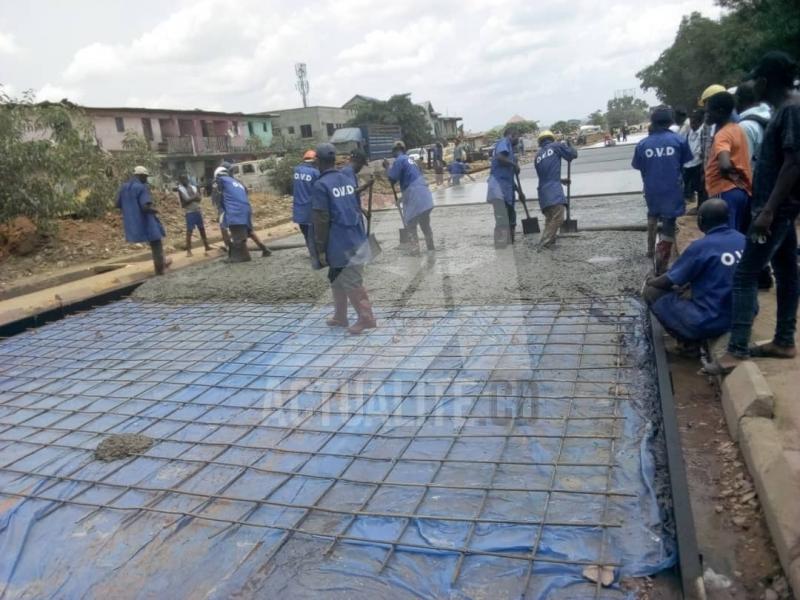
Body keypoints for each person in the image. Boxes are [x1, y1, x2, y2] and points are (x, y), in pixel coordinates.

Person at [718, 51, 800, 372]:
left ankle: (736, 349)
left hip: (774, 209)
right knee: (787, 272)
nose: (754, 85)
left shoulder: (791, 111)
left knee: (745, 274)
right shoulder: (786, 108)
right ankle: (783, 340)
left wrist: (767, 210)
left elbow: (794, 163)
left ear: (765, 81)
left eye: (756, 80)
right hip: (780, 207)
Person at [644, 199, 745, 351]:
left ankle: (688, 344)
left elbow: (668, 281)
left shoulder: (701, 247)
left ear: (701, 221)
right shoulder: (743, 239)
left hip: (711, 320)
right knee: (688, 286)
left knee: (652, 292)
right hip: (743, 316)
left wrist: (651, 281)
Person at [311, 143, 376, 335]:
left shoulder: (321, 185)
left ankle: (367, 318)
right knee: (336, 278)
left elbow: (321, 220)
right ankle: (340, 315)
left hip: (340, 242)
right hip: (355, 236)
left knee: (352, 280)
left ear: (317, 162)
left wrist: (320, 249)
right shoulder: (346, 177)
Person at [631, 106, 692, 274]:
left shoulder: (643, 144)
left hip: (652, 190)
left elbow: (639, 166)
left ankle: (651, 250)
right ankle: (662, 262)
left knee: (652, 216)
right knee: (669, 224)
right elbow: (685, 164)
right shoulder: (679, 140)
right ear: (670, 121)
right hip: (673, 189)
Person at [704, 92, 753, 232]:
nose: (707, 115)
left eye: (709, 112)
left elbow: (724, 165)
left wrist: (734, 179)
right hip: (742, 191)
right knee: (739, 234)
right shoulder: (738, 129)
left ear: (720, 111)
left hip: (724, 190)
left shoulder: (722, 134)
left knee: (725, 233)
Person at [116, 166, 170, 275]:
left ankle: (163, 263)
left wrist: (130, 209)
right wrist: (155, 210)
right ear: (140, 175)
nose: (146, 179)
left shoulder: (124, 187)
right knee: (156, 244)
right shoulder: (141, 187)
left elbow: (117, 204)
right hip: (146, 221)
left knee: (154, 244)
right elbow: (145, 207)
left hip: (132, 223)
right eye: (145, 177)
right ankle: (160, 270)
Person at [385, 140, 435, 253]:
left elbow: (392, 179)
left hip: (415, 195)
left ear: (394, 151)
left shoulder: (400, 160)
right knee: (425, 223)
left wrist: (387, 168)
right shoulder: (411, 161)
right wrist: (401, 199)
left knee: (411, 224)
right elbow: (414, 183)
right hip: (425, 195)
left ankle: (415, 250)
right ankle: (431, 247)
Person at [534, 130, 578, 249]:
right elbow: (573, 154)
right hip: (553, 191)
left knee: (550, 219)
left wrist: (561, 181)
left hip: (543, 192)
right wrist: (570, 145)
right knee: (558, 217)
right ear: (551, 138)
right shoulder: (555, 146)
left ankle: (549, 243)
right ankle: (544, 243)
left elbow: (547, 175)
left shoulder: (537, 156)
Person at [486, 126, 522, 247]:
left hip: (506, 189)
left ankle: (510, 243)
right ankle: (501, 247)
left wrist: (519, 192)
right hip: (498, 188)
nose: (519, 139)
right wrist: (513, 164)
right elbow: (500, 158)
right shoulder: (503, 142)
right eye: (518, 136)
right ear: (512, 135)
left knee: (511, 216)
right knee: (502, 217)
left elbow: (509, 178)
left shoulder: (510, 152)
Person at [215, 166, 256, 262]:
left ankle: (240, 257)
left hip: (235, 211)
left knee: (237, 236)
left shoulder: (220, 180)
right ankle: (243, 256)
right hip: (246, 209)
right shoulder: (236, 181)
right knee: (241, 236)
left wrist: (222, 213)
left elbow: (220, 199)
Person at [735, 80, 772, 168]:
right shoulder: (771, 115)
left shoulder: (745, 126)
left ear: (739, 99)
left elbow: (743, 165)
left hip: (756, 178)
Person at [176, 173, 212, 256]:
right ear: (180, 181)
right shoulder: (180, 189)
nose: (184, 180)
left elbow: (199, 199)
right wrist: (194, 197)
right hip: (189, 212)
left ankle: (207, 246)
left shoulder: (193, 187)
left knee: (202, 229)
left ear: (187, 179)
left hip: (197, 210)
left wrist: (192, 198)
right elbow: (185, 201)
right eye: (182, 179)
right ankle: (189, 251)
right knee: (189, 231)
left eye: (185, 179)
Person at [292, 149, 319, 243]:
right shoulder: (315, 173)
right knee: (315, 235)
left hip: (299, 210)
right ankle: (317, 254)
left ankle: (312, 253)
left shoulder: (296, 170)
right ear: (315, 160)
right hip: (310, 210)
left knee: (306, 235)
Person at [683, 110, 706, 209]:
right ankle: (692, 202)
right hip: (689, 163)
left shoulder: (703, 131)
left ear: (700, 122)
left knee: (700, 188)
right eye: (691, 122)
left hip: (698, 164)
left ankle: (700, 207)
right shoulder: (690, 132)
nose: (692, 125)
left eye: (694, 122)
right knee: (690, 185)